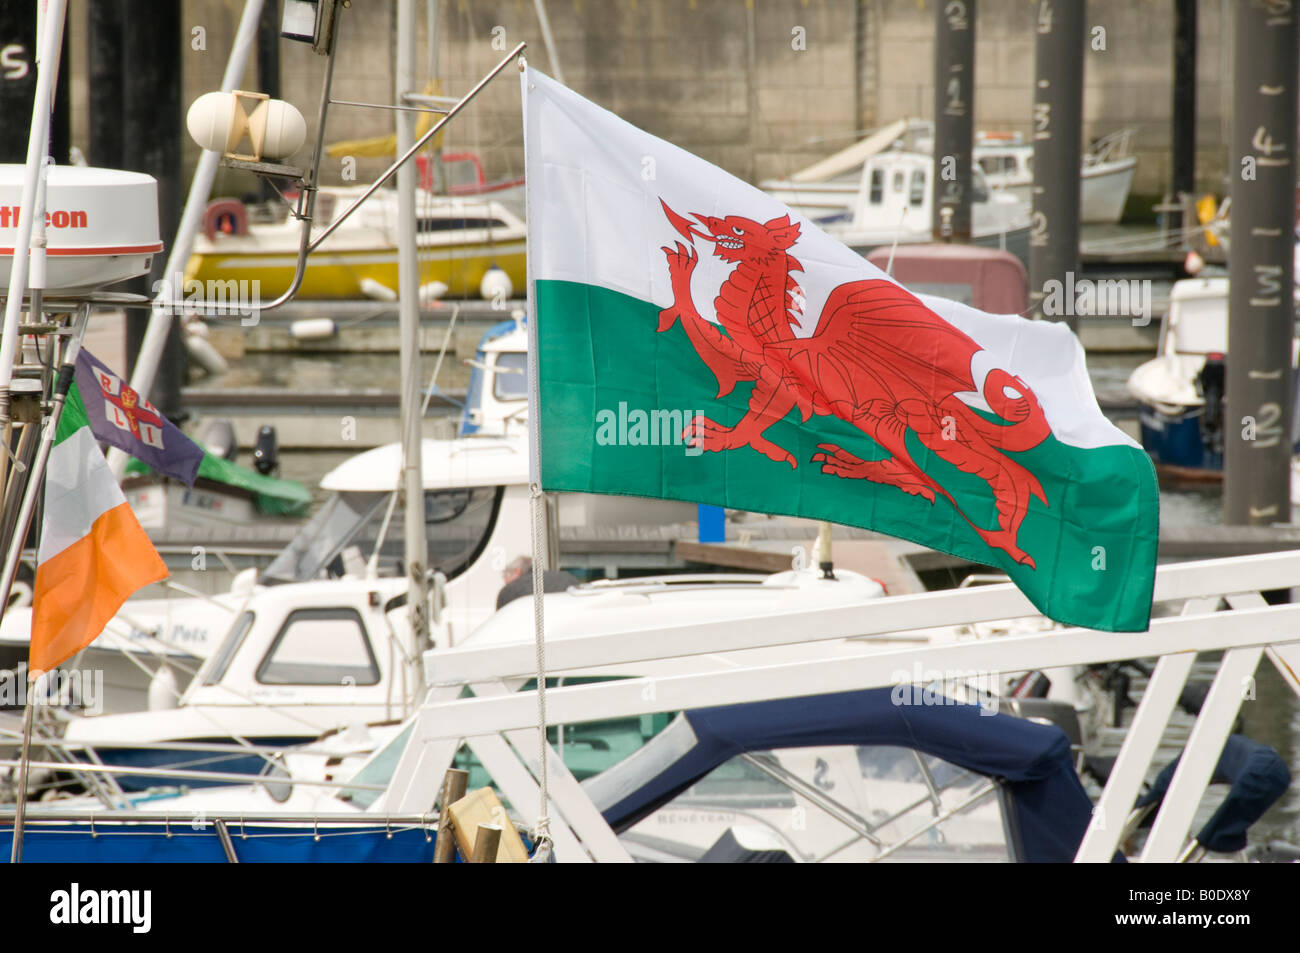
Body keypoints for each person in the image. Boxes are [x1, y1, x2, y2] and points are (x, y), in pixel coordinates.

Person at [495, 556, 579, 609]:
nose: (505, 583)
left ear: (517, 571)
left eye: (505, 577)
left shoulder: (508, 592)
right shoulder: (567, 577)